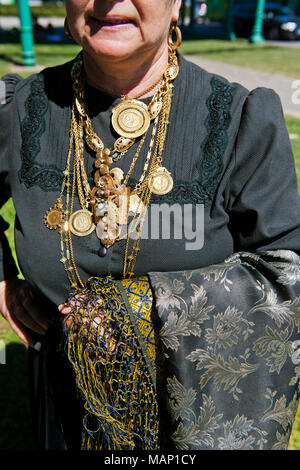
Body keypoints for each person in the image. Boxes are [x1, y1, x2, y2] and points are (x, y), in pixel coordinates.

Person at [0, 0, 300, 450]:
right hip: (59, 418)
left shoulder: (239, 118)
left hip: (191, 424)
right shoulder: (23, 110)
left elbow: (288, 274)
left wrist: (133, 311)